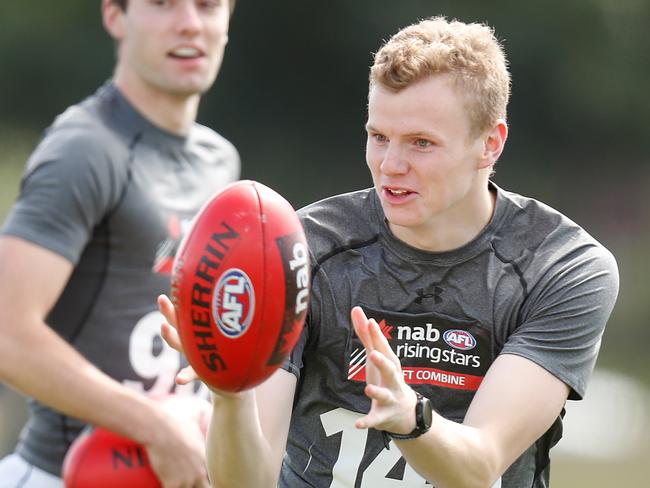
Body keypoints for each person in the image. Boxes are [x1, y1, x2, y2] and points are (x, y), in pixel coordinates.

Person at [159, 15, 619, 488]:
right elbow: (246, 483)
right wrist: (229, 393)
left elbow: (480, 468)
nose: (390, 165)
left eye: (422, 143)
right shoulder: (301, 250)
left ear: (490, 144)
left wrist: (409, 419)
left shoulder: (563, 267)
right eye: (378, 137)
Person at [0, 0, 239, 486]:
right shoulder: (84, 149)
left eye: (208, 6)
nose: (190, 22)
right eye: (163, 4)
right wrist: (154, 426)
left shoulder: (220, 162)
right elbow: (7, 333)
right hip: (61, 473)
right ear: (114, 15)